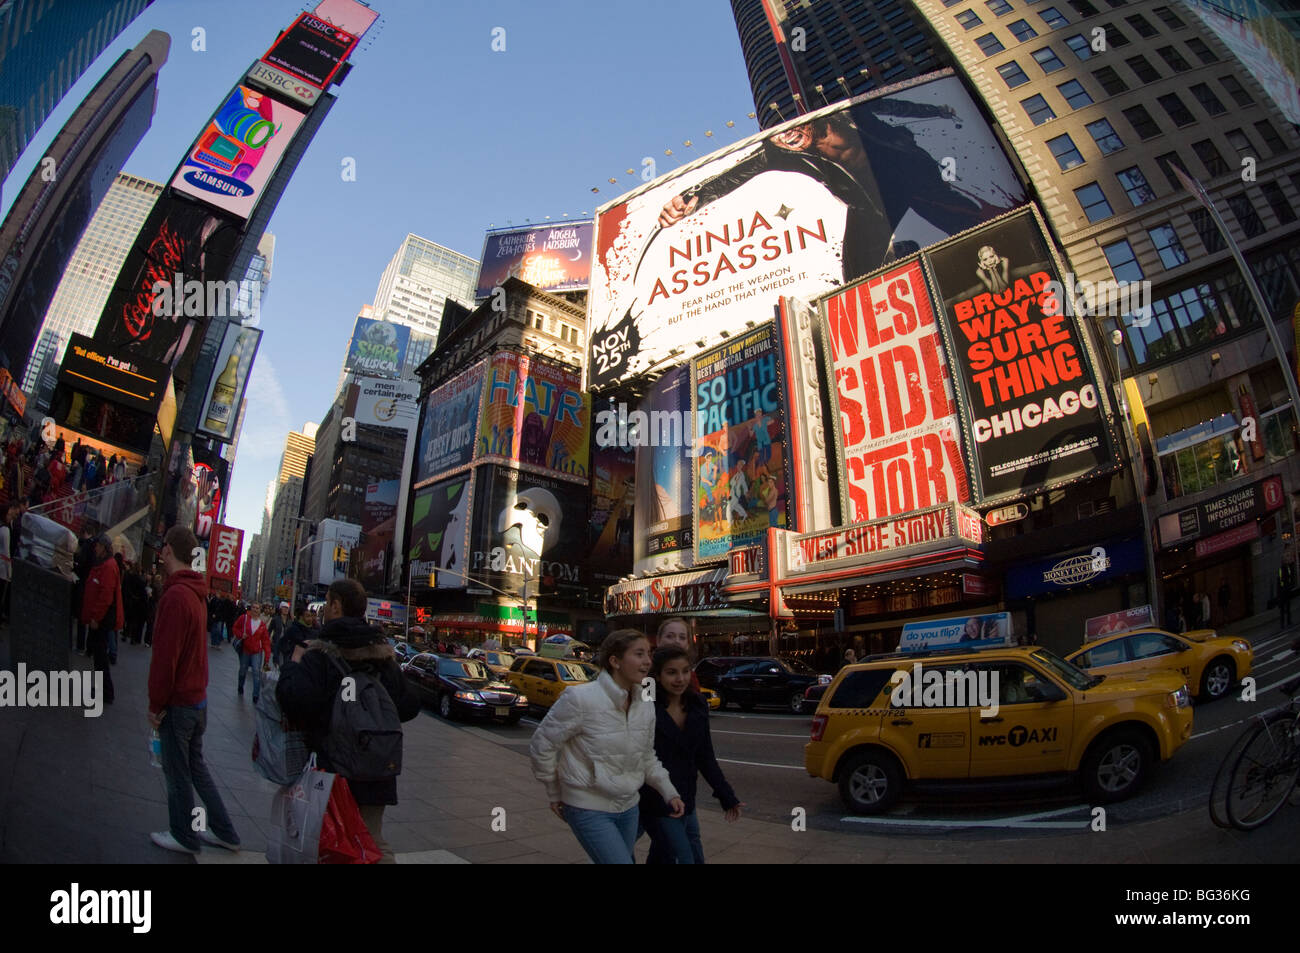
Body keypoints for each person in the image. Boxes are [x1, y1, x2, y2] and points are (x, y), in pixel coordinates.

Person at [277, 578, 420, 863]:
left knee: (329, 843)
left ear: (336, 606)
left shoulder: (318, 653)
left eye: (328, 602)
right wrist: (371, 717)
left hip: (332, 771)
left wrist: (293, 664)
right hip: (376, 768)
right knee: (372, 841)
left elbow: (293, 700)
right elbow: (410, 705)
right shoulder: (383, 656)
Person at [529, 628, 684, 864]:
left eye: (649, 654)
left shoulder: (645, 702)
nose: (647, 662)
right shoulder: (580, 698)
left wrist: (669, 791)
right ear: (615, 661)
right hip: (587, 806)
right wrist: (553, 790)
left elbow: (646, 756)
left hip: (629, 806)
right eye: (639, 654)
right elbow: (543, 745)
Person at [147, 524, 241, 855]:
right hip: (197, 700)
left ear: (169, 550)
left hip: (181, 702)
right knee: (197, 769)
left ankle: (184, 835)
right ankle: (225, 831)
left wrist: (155, 705)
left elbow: (165, 658)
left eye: (162, 548)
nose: (160, 552)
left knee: (178, 773)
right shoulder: (196, 594)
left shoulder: (176, 596)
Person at [640, 645, 742, 863]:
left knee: (669, 853)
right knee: (685, 856)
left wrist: (726, 795)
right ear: (657, 675)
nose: (680, 679)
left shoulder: (697, 704)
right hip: (655, 798)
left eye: (685, 671)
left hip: (686, 796)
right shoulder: (646, 705)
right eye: (671, 672)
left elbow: (705, 756)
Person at [79, 534, 121, 705]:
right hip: (100, 618)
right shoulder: (105, 565)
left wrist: (96, 617)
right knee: (99, 654)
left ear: (104, 547)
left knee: (100, 655)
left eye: (98, 546)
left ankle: (106, 690)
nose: (95, 548)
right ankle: (103, 688)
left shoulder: (109, 566)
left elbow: (105, 596)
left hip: (102, 619)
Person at [232, 602, 272, 702]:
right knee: (242, 670)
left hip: (256, 652)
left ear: (260, 610)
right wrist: (241, 634)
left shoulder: (262, 625)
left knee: (256, 673)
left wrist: (267, 657)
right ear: (251, 609)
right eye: (253, 607)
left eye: (257, 608)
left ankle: (255, 695)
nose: (255, 609)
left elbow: (266, 641)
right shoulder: (244, 618)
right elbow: (235, 628)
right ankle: (240, 687)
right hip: (245, 650)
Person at [656, 616, 702, 692]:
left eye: (682, 637)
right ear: (658, 640)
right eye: (670, 636)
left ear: (688, 644)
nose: (677, 641)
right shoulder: (646, 672)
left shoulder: (692, 678)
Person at [1279, 563, 1296, 628]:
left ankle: (1286, 623)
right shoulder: (1283, 569)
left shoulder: (1287, 568)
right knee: (1285, 608)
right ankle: (1285, 623)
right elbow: (1281, 580)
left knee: (1286, 608)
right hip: (1283, 591)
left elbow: (1288, 578)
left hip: (1285, 591)